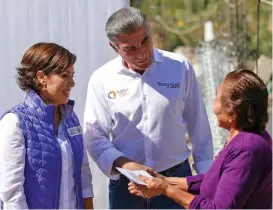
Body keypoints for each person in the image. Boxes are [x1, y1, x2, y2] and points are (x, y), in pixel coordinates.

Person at [83, 7, 213, 209]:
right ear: (114, 47)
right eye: (130, 49)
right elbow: (94, 136)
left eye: (145, 41)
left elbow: (199, 127)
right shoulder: (101, 80)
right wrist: (124, 164)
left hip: (175, 181)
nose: (142, 53)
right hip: (127, 186)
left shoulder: (179, 67)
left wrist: (207, 181)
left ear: (149, 31)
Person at [129, 69, 272, 209]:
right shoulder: (248, 139)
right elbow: (216, 180)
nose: (213, 105)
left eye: (217, 98)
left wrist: (165, 188)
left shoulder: (246, 148)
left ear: (233, 113)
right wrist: (163, 180)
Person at [0, 43, 94, 209]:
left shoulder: (72, 119)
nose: (72, 83)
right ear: (41, 77)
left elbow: (83, 174)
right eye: (65, 76)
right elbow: (12, 196)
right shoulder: (14, 122)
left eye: (72, 75)